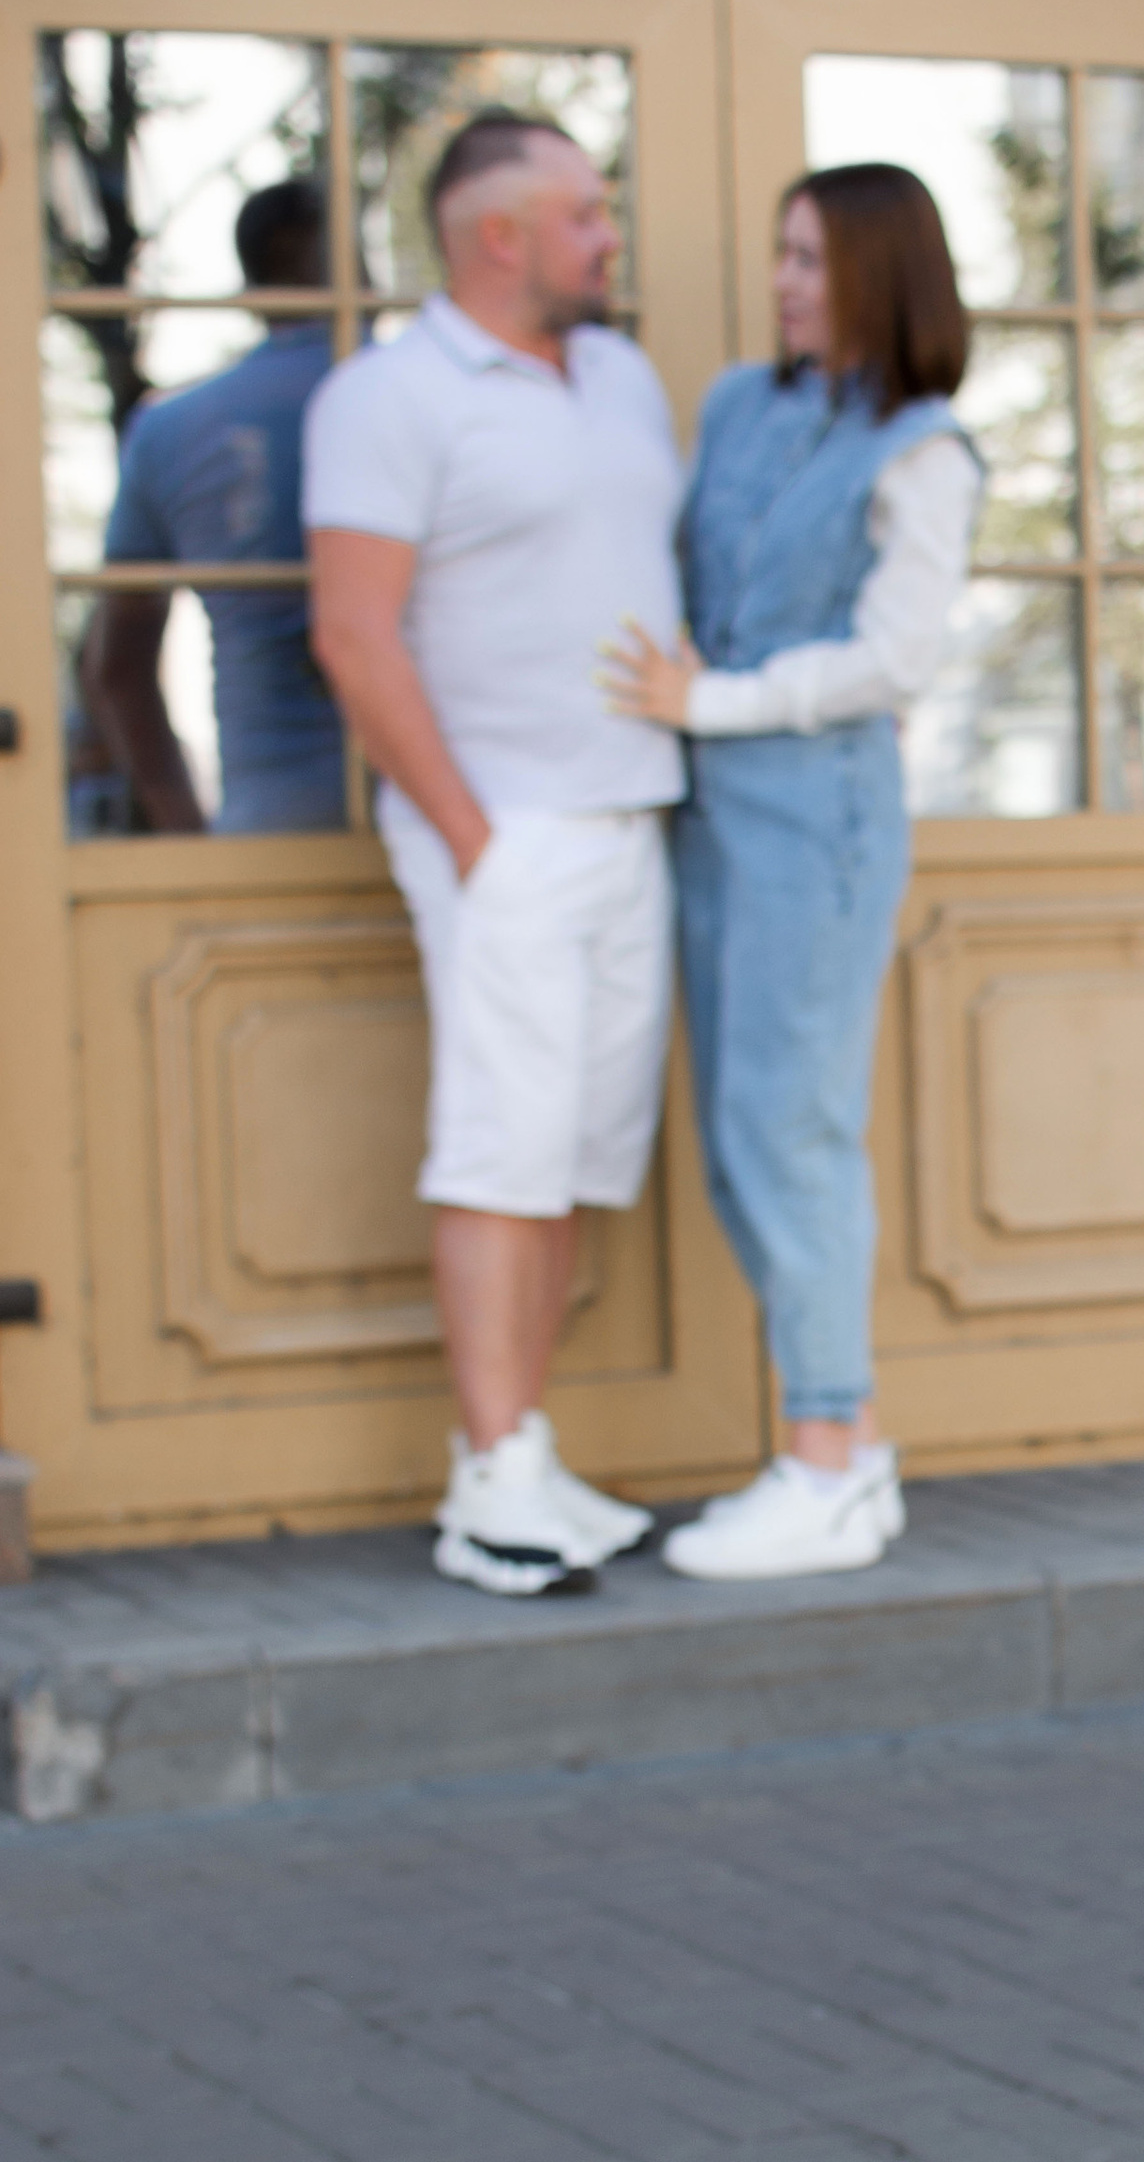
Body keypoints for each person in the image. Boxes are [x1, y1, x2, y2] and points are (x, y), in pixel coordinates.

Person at [306, 110, 686, 1598]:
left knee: (580, 1158)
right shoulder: (391, 395)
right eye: (586, 213)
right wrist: (474, 838)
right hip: (505, 834)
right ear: (500, 234)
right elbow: (351, 632)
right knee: (500, 1153)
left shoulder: (621, 375)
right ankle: (488, 1488)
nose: (610, 236)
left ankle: (525, 1451)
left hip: (630, 816)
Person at [602, 164, 980, 1581]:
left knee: (788, 1132)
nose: (784, 282)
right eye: (781, 254)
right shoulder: (739, 409)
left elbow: (897, 663)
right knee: (736, 1134)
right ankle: (845, 1458)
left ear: (881, 274)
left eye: (811, 260)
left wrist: (714, 703)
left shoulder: (923, 451)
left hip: (814, 824)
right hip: (706, 814)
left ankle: (832, 1455)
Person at [85, 172, 345, 834]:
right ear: (353, 262)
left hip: (264, 818)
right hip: (436, 814)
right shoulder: (418, 399)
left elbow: (117, 667)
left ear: (252, 286)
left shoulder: (169, 430)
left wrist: (186, 836)